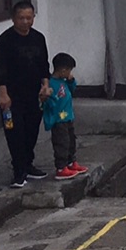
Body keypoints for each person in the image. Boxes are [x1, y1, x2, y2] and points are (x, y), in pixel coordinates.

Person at [0, 0, 51, 186]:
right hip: (12, 96)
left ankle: (28, 163)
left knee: (32, 130)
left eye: (29, 18)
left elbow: (44, 65)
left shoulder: (38, 38)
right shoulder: (4, 41)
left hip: (34, 93)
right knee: (14, 132)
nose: (25, 22)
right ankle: (18, 170)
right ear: (13, 19)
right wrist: (3, 94)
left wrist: (45, 86)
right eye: (21, 18)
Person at [44, 52, 83, 180]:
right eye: (69, 71)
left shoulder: (64, 81)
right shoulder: (51, 84)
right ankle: (61, 167)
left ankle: (71, 162)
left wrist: (72, 81)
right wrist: (51, 97)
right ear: (62, 70)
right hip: (59, 118)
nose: (70, 73)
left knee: (71, 140)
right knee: (62, 142)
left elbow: (72, 90)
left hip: (68, 116)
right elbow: (49, 102)